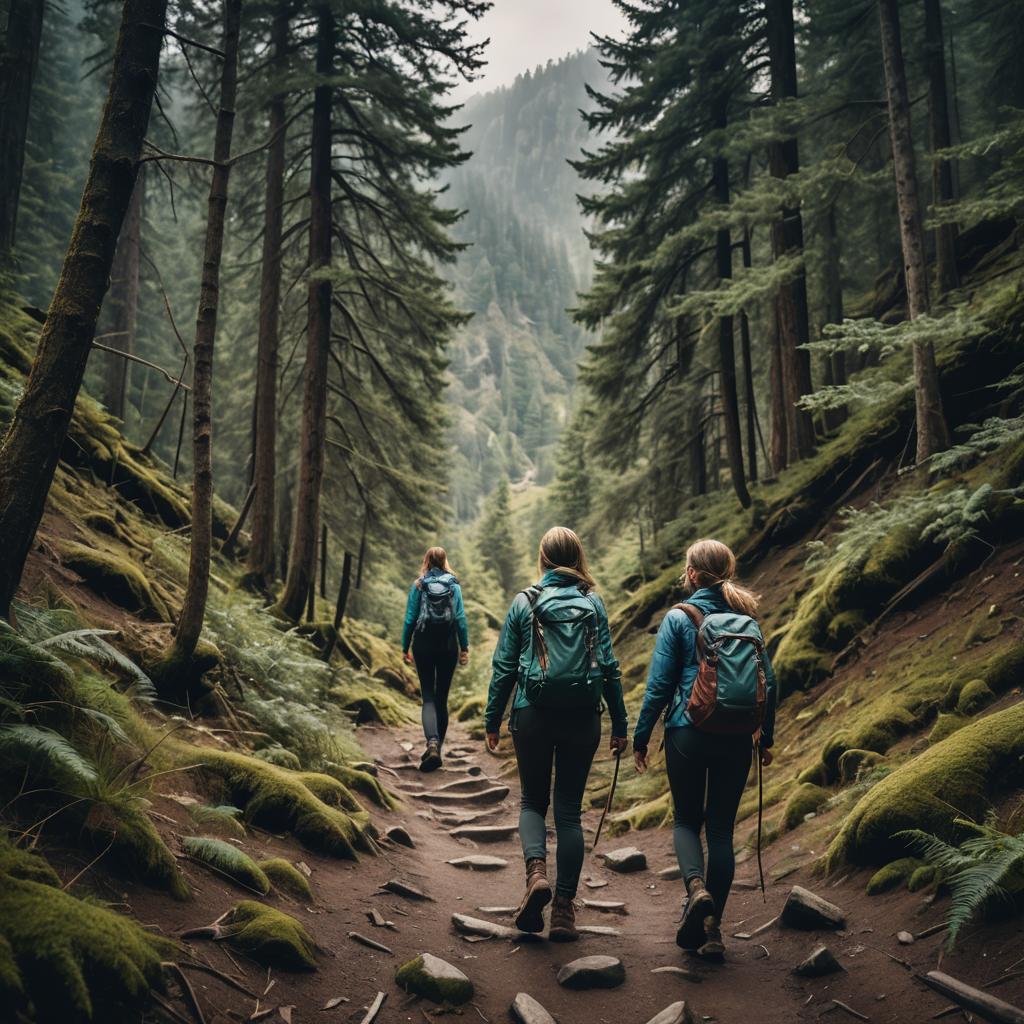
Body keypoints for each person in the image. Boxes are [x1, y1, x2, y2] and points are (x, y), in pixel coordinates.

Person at [633, 538, 776, 959]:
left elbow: (659, 685)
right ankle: (713, 932)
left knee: (685, 822)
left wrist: (641, 737)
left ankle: (695, 890)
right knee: (721, 831)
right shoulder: (747, 619)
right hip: (736, 737)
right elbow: (770, 681)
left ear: (692, 573)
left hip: (687, 730)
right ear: (727, 571)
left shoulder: (679, 618)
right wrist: (764, 737)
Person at [484, 526, 628, 942]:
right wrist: (620, 724)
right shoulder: (593, 603)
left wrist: (492, 719)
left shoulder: (524, 602)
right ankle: (564, 911)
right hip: (583, 716)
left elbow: (505, 668)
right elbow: (609, 666)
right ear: (578, 558)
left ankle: (536, 876)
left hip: (533, 713)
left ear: (544, 559)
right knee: (568, 811)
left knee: (532, 800)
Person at [402, 546, 469, 771]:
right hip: (448, 646)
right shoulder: (453, 585)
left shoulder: (419, 584)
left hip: (422, 644)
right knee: (442, 698)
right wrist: (464, 648)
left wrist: (405, 647)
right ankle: (437, 750)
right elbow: (460, 618)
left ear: (427, 561)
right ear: (444, 561)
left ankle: (431, 743)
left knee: (428, 696)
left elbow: (410, 618)